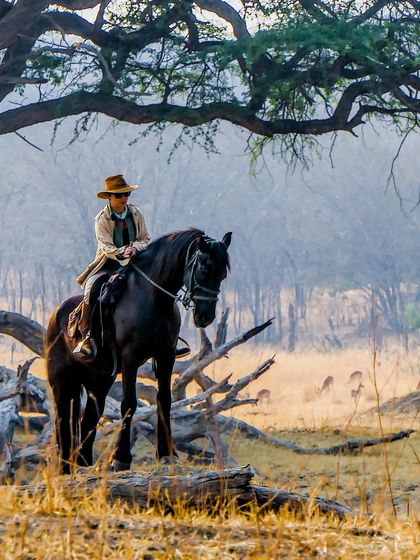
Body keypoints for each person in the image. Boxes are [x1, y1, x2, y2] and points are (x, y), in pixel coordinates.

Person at [73, 174, 151, 357]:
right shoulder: (101, 219)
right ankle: (87, 336)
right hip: (108, 264)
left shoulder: (136, 213)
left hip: (136, 262)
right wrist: (122, 251)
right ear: (109, 197)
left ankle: (167, 336)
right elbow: (105, 246)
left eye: (126, 194)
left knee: (158, 284)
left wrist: (135, 248)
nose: (124, 198)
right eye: (119, 195)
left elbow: (145, 239)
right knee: (92, 289)